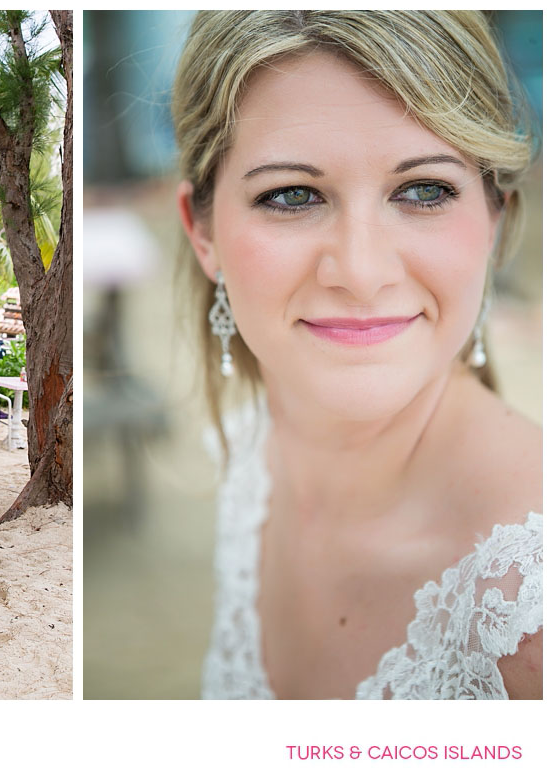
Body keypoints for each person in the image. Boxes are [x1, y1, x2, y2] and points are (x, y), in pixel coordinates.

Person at [173, 10, 541, 699]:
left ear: (495, 218)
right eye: (292, 195)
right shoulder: (251, 453)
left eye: (424, 190)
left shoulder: (529, 615)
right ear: (204, 233)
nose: (362, 272)